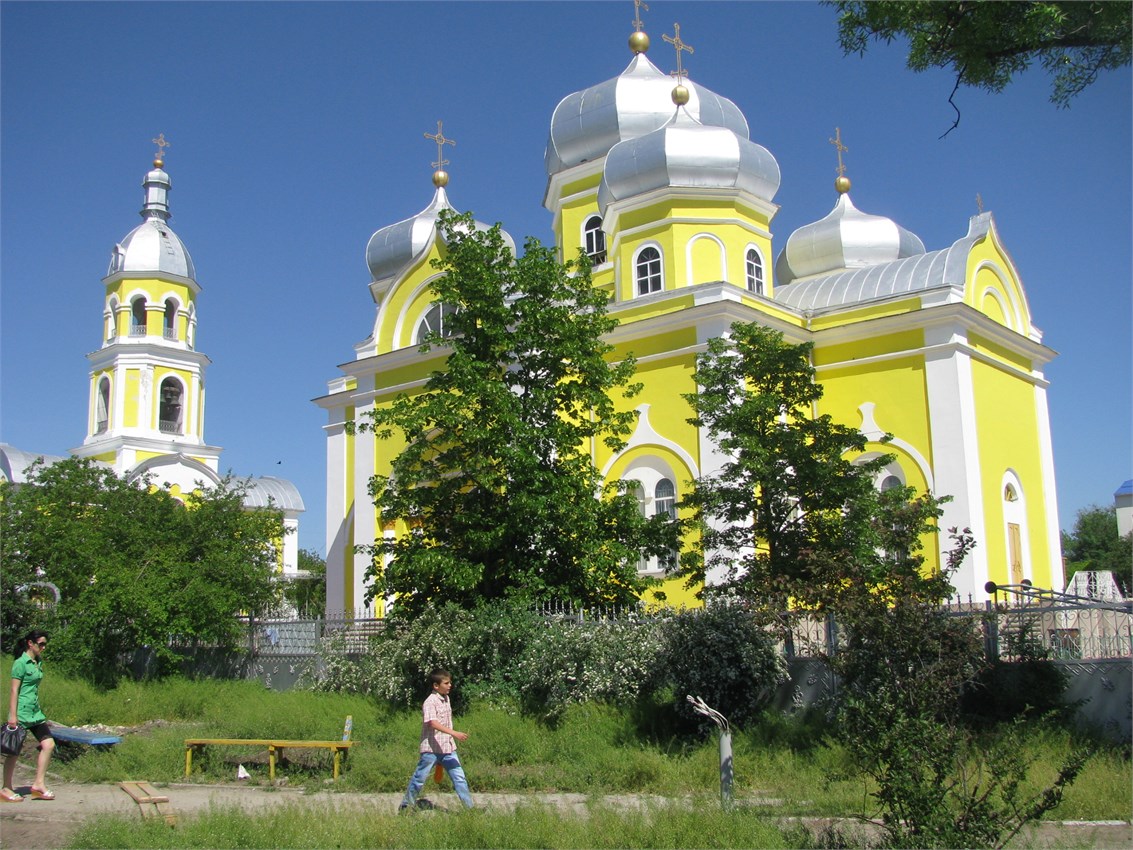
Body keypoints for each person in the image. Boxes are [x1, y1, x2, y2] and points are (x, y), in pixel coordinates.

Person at [398, 668, 474, 811]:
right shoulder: (430, 702)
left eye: (450, 682)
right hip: (431, 749)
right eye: (446, 683)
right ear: (436, 686)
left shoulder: (446, 699)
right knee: (419, 778)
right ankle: (406, 806)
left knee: (459, 777)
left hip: (447, 748)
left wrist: (451, 737)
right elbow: (433, 723)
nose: (450, 685)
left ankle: (470, 809)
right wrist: (454, 733)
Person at [3, 630, 55, 802]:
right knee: (14, 751)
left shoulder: (37, 662)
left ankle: (39, 784)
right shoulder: (20, 663)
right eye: (41, 644)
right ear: (30, 643)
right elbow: (14, 690)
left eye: (45, 644)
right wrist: (12, 715)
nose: (44, 647)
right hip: (22, 713)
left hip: (35, 713)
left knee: (48, 744)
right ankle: (6, 788)